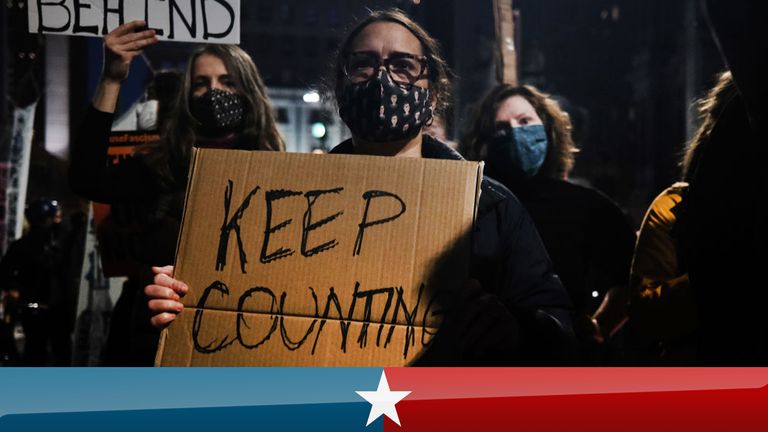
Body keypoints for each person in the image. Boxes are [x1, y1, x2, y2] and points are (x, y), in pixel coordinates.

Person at [146, 9, 574, 365]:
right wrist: (186, 301)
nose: (382, 79)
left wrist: (515, 329)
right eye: (364, 64)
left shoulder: (490, 206)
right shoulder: (284, 205)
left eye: (403, 66)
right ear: (341, 87)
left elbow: (559, 332)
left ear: (432, 92)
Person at [69, 21, 285, 365]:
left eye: (227, 82)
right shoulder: (159, 166)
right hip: (150, 337)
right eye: (201, 84)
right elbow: (85, 179)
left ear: (248, 92)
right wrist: (111, 79)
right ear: (188, 97)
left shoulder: (277, 175)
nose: (213, 92)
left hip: (238, 339)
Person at [461, 84, 636, 364]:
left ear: (548, 129)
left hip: (560, 360)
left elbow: (632, 277)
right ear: (484, 141)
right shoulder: (469, 203)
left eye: (525, 121)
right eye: (502, 128)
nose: (516, 133)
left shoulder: (586, 205)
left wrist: (599, 327)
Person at [0, 199, 76, 365]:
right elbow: (5, 273)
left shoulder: (59, 242)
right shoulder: (25, 246)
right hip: (36, 308)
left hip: (55, 308)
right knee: (37, 352)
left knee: (56, 352)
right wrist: (14, 288)